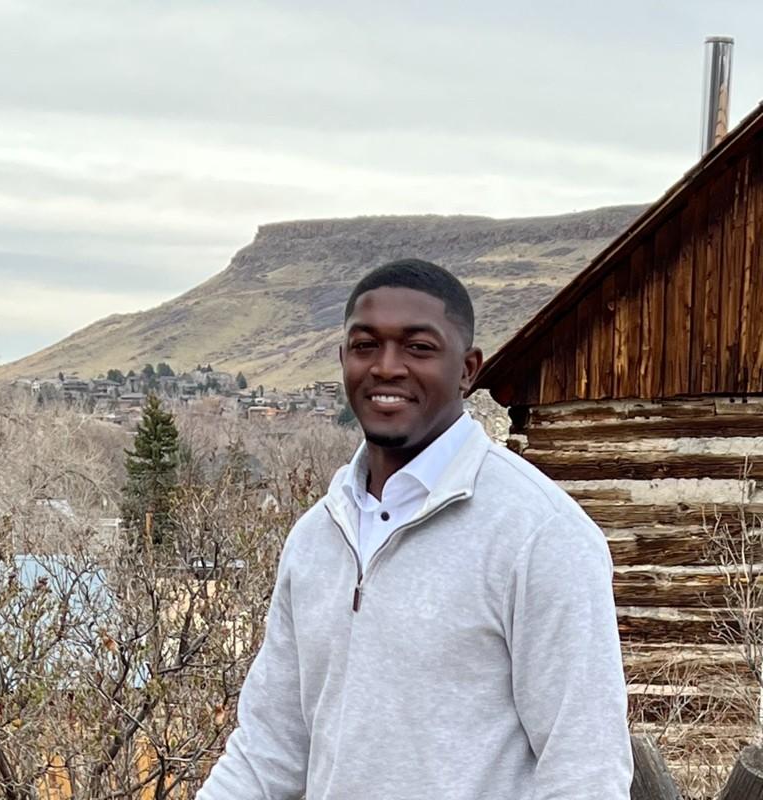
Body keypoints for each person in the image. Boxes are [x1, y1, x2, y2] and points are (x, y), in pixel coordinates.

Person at [197, 258, 633, 800]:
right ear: (342, 360)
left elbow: (584, 771)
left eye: (418, 348)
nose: (386, 367)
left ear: (468, 369)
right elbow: (269, 752)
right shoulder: (316, 537)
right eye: (365, 346)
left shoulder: (540, 535)